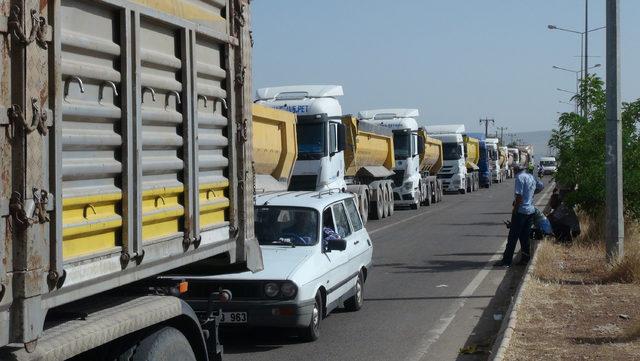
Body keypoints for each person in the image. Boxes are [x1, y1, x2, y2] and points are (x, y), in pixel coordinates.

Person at [495, 163, 544, 267]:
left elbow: (519, 196)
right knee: (525, 237)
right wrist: (530, 196)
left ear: (516, 170)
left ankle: (506, 261)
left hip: (521, 211)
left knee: (513, 237)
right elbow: (541, 186)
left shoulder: (519, 178)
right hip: (530, 210)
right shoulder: (530, 177)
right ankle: (525, 260)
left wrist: (515, 210)